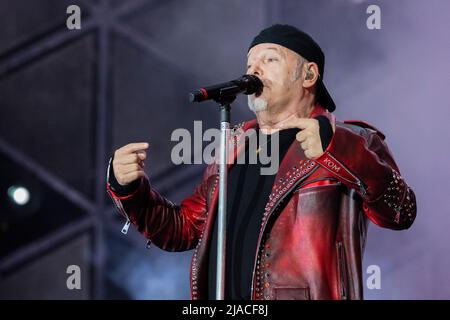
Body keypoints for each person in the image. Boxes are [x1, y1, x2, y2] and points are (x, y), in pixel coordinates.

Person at [106, 24, 416, 300]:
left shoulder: (352, 140)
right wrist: (130, 190)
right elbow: (184, 230)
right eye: (250, 63)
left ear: (308, 74)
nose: (254, 70)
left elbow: (401, 210)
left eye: (270, 59)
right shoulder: (234, 148)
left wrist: (336, 147)